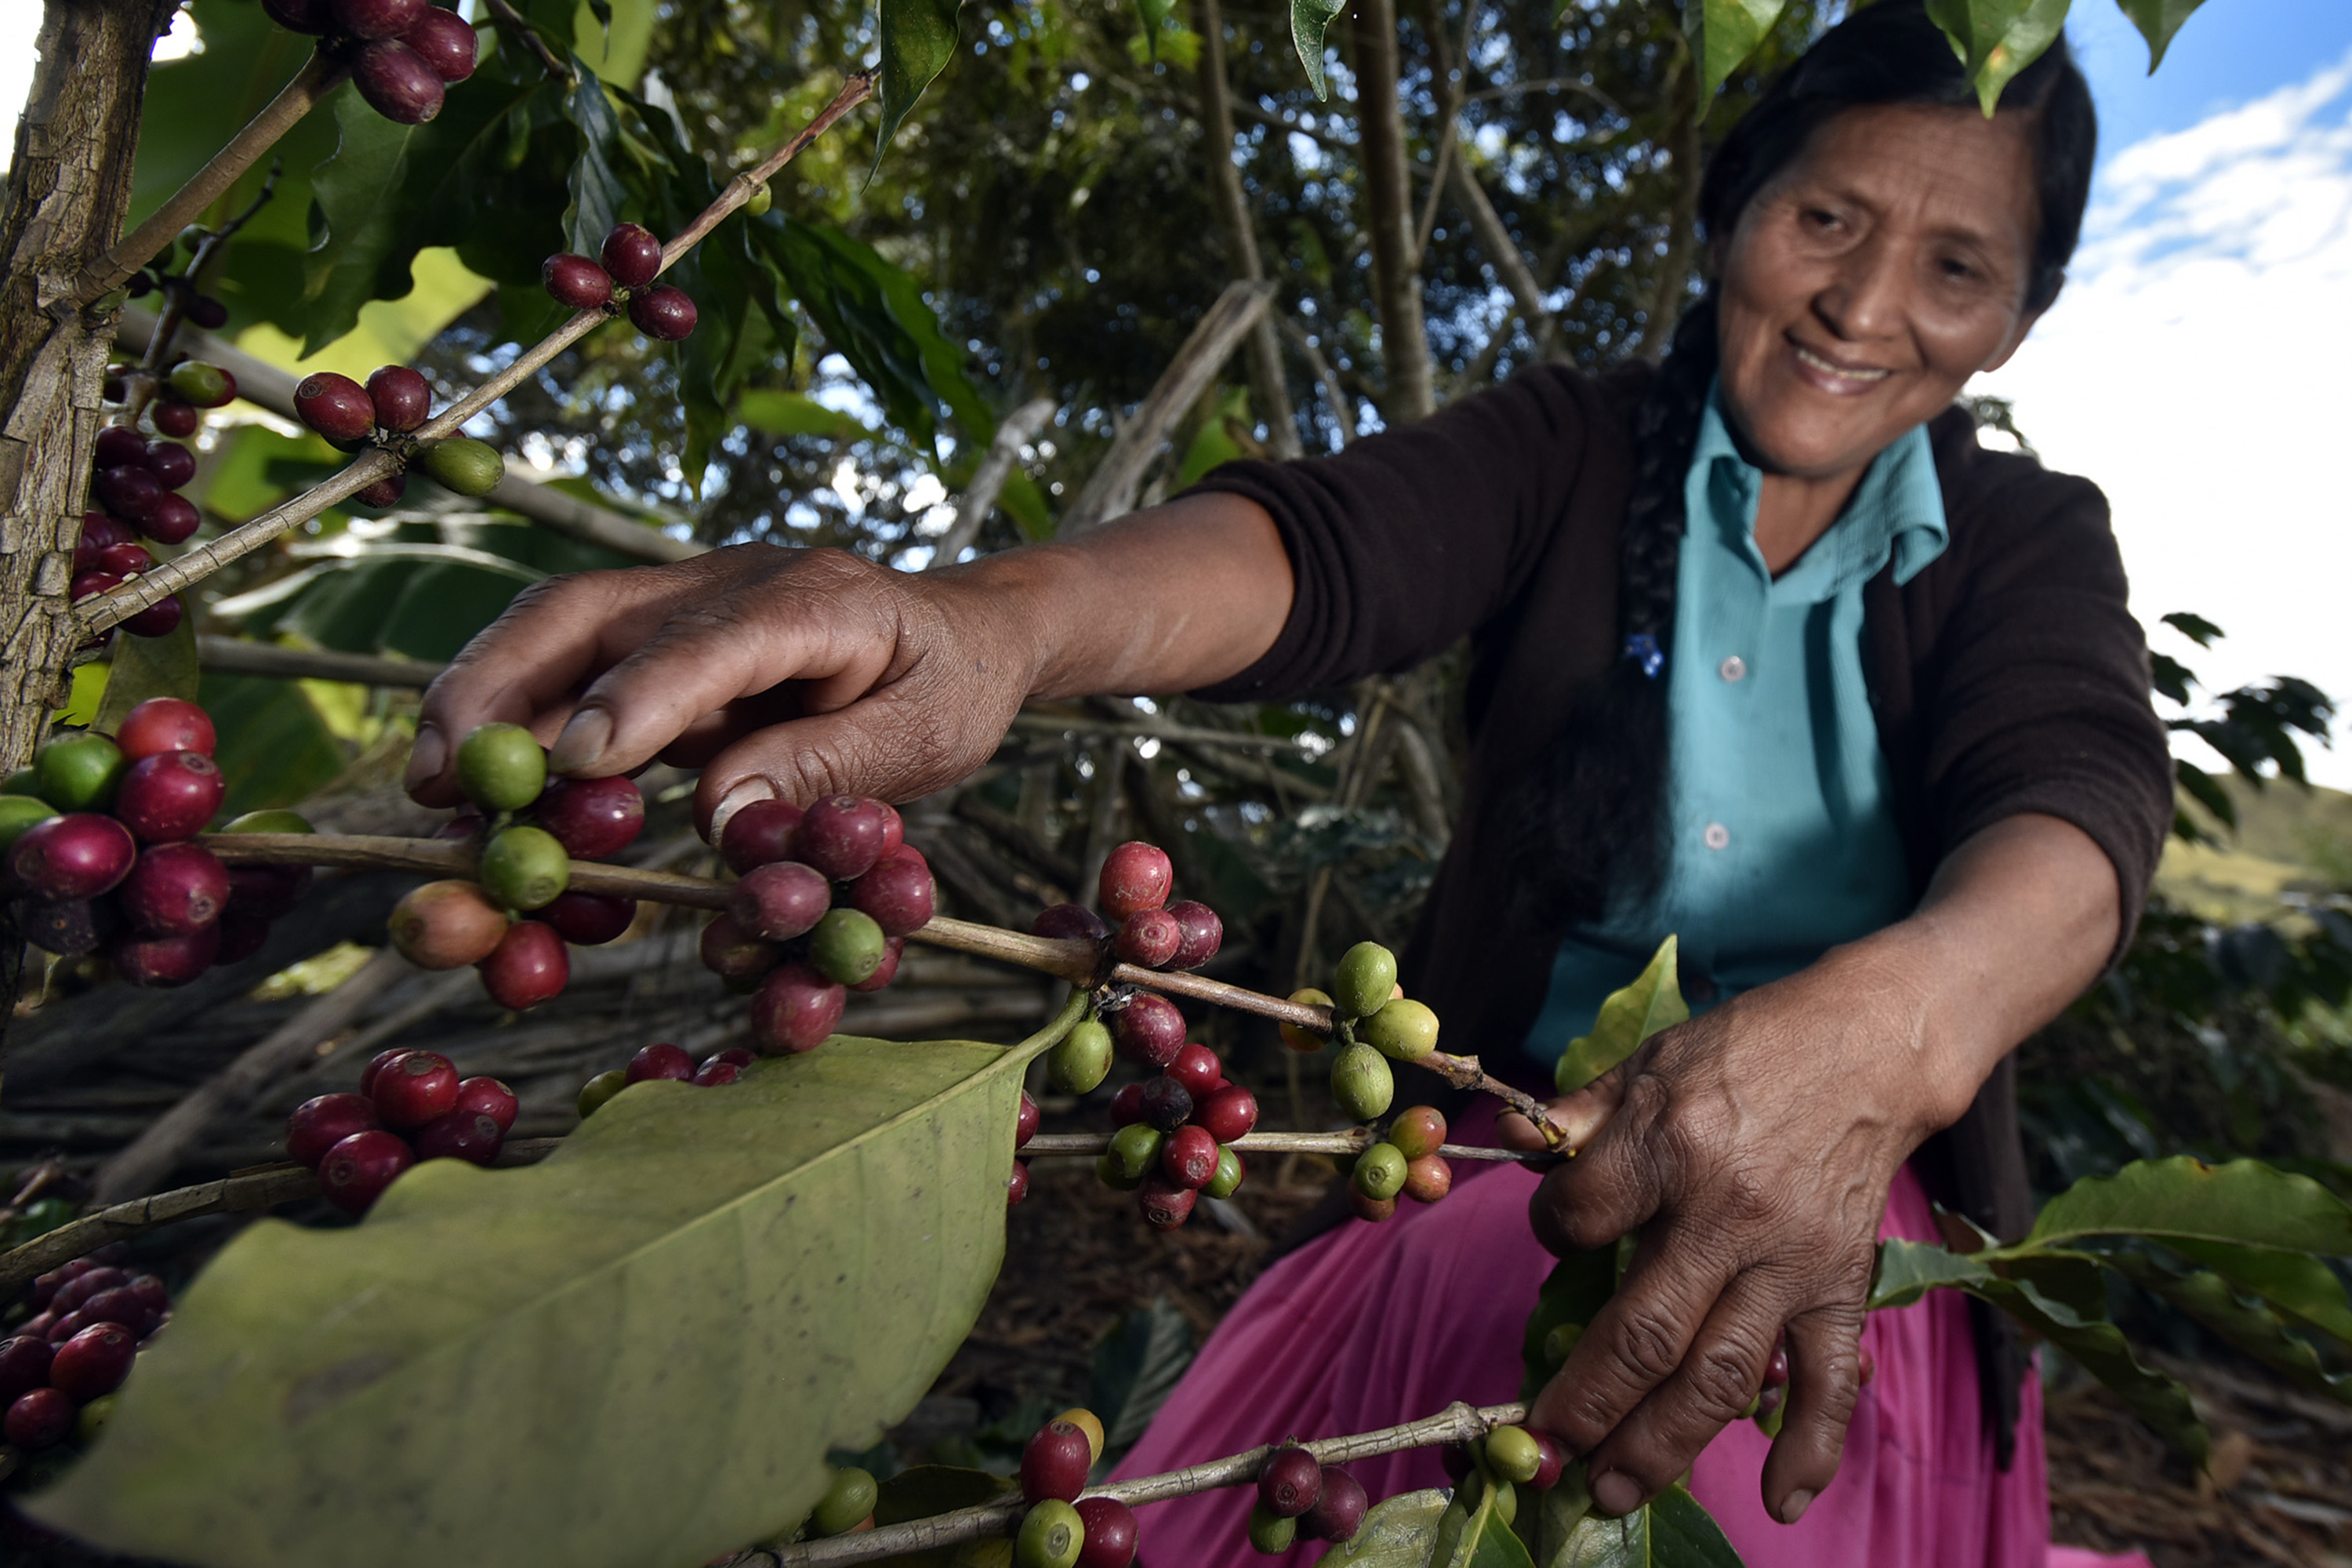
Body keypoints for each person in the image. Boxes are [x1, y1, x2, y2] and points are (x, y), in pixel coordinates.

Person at [405, 5, 2172, 1563]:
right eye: (1827, 219)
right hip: (1514, 1152)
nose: (1864, 305)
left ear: (2017, 322)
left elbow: (2077, 808)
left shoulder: (2022, 540)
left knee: (1768, 1428)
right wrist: (986, 625)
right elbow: (1314, 556)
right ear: (1731, 212)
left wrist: (1890, 1039)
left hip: (1867, 1206)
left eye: (1957, 268)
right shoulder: (1570, 450)